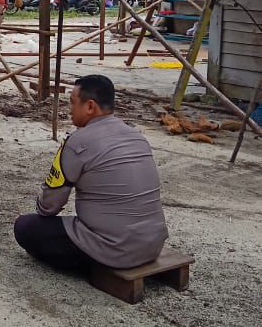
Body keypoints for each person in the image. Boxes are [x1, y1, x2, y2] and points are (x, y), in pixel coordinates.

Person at [14, 75, 168, 273]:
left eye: (72, 103)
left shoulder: (77, 142)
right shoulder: (137, 136)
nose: (70, 109)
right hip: (152, 245)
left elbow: (48, 207)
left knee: (25, 226)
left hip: (113, 250)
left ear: (90, 107)